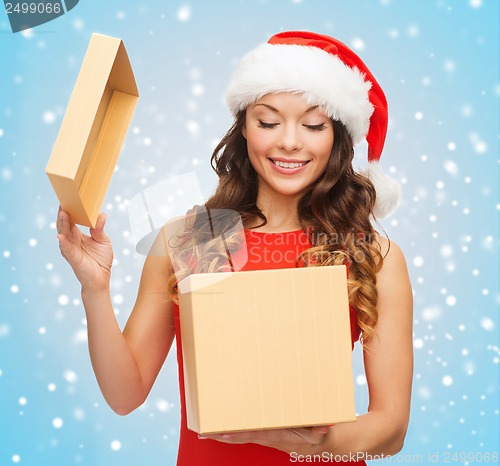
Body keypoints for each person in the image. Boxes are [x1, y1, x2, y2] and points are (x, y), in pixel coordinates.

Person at [56, 31, 413, 465]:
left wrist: (289, 441)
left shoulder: (370, 255)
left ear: (337, 137)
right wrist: (95, 290)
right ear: (243, 127)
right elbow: (125, 394)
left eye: (314, 125)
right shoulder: (194, 239)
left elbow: (391, 429)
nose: (289, 142)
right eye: (268, 121)